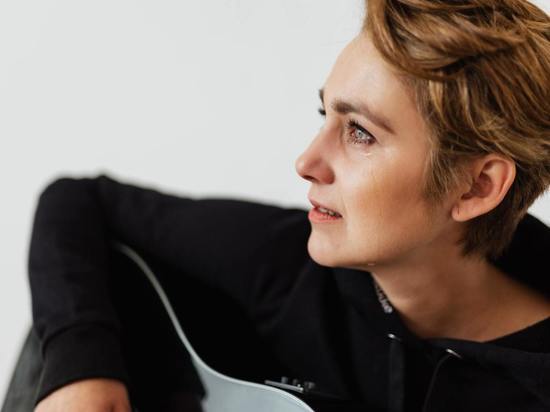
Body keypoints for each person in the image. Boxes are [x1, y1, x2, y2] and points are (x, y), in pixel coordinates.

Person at [6, 0, 550, 411]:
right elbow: (78, 202)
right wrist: (80, 367)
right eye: (325, 116)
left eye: (360, 133)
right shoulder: (290, 269)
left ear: (477, 188)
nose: (306, 161)